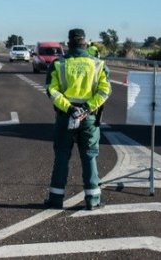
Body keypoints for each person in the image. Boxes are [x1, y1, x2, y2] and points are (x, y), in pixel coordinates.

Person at [44, 28, 111, 210]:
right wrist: (87, 108)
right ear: (85, 43)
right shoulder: (98, 64)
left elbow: (52, 90)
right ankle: (93, 200)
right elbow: (105, 91)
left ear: (69, 43)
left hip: (66, 116)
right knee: (89, 156)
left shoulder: (60, 64)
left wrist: (70, 108)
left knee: (62, 157)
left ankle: (56, 200)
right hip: (89, 117)